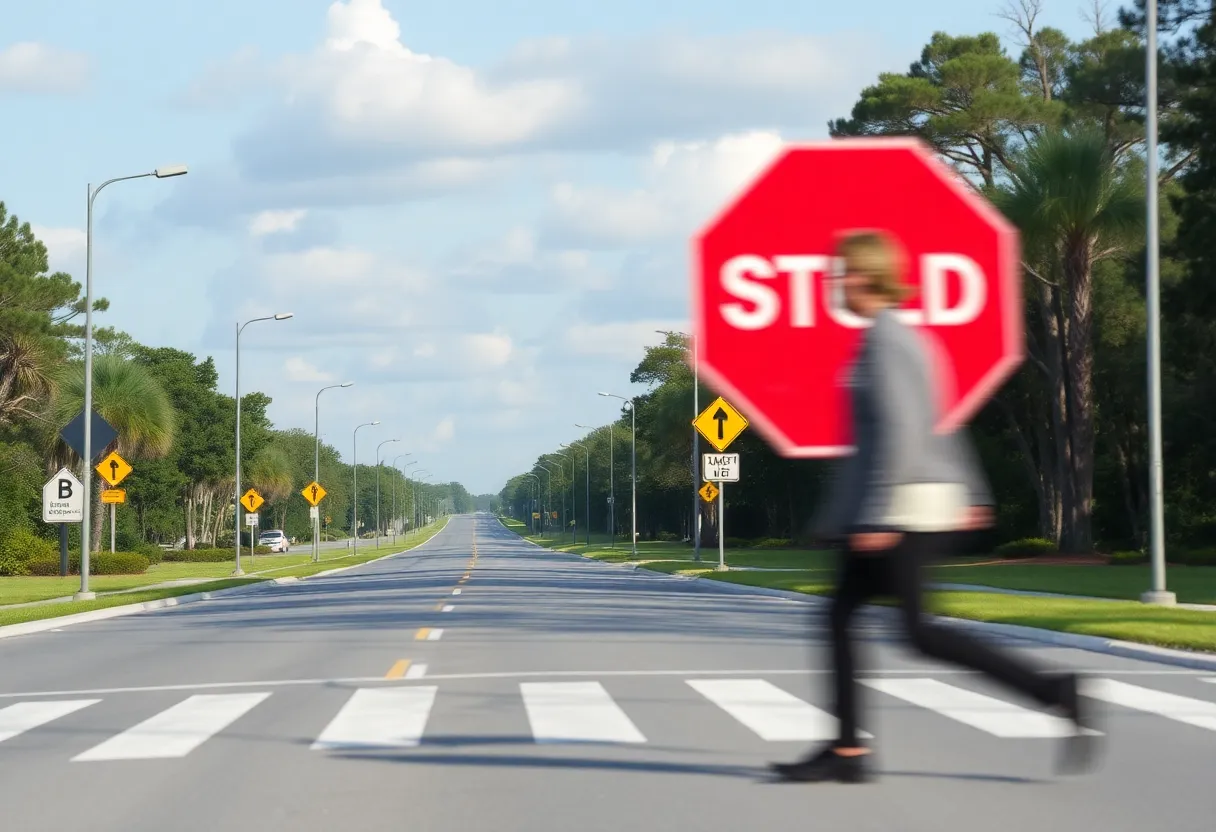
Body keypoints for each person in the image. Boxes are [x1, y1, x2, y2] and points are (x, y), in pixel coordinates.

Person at [771, 230, 1097, 784]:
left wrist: (872, 516)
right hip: (906, 504)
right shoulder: (888, 338)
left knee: (909, 630)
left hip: (904, 509)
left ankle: (1053, 690)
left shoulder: (888, 341)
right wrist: (967, 490)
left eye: (843, 273)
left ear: (869, 276)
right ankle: (848, 750)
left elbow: (900, 434)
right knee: (848, 617)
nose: (834, 283)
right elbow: (934, 424)